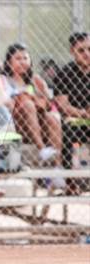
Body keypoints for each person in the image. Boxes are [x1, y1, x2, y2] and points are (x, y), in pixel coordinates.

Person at [2, 43, 63, 164]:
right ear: (9, 62)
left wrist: (33, 98)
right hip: (18, 125)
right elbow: (6, 104)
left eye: (25, 58)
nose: (22, 62)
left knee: (52, 118)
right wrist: (24, 99)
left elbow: (49, 104)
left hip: (39, 123)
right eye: (18, 58)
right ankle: (41, 149)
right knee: (27, 104)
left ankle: (57, 166)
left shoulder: (36, 80)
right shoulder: (4, 80)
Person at [53, 32, 89, 195]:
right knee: (67, 131)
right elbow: (62, 104)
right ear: (72, 51)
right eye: (81, 50)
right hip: (74, 121)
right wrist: (82, 113)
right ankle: (71, 183)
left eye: (89, 49)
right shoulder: (65, 73)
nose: (87, 54)